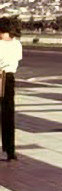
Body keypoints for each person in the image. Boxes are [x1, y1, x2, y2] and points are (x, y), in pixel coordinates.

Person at [0, 17, 22, 161]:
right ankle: (10, 149)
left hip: (0, 76)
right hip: (10, 78)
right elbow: (18, 59)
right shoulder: (17, 44)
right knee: (9, 114)